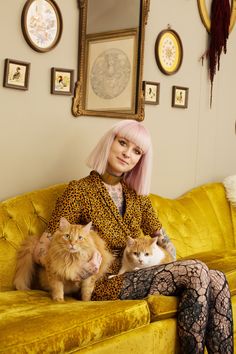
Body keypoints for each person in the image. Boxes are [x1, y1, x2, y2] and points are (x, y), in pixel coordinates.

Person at [45, 119, 233, 354]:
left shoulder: (136, 195)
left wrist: (173, 264)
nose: (128, 154)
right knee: (196, 270)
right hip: (102, 281)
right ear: (108, 143)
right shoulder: (79, 190)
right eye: (123, 143)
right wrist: (80, 270)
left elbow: (160, 235)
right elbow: (44, 248)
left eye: (137, 151)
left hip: (140, 270)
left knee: (214, 277)